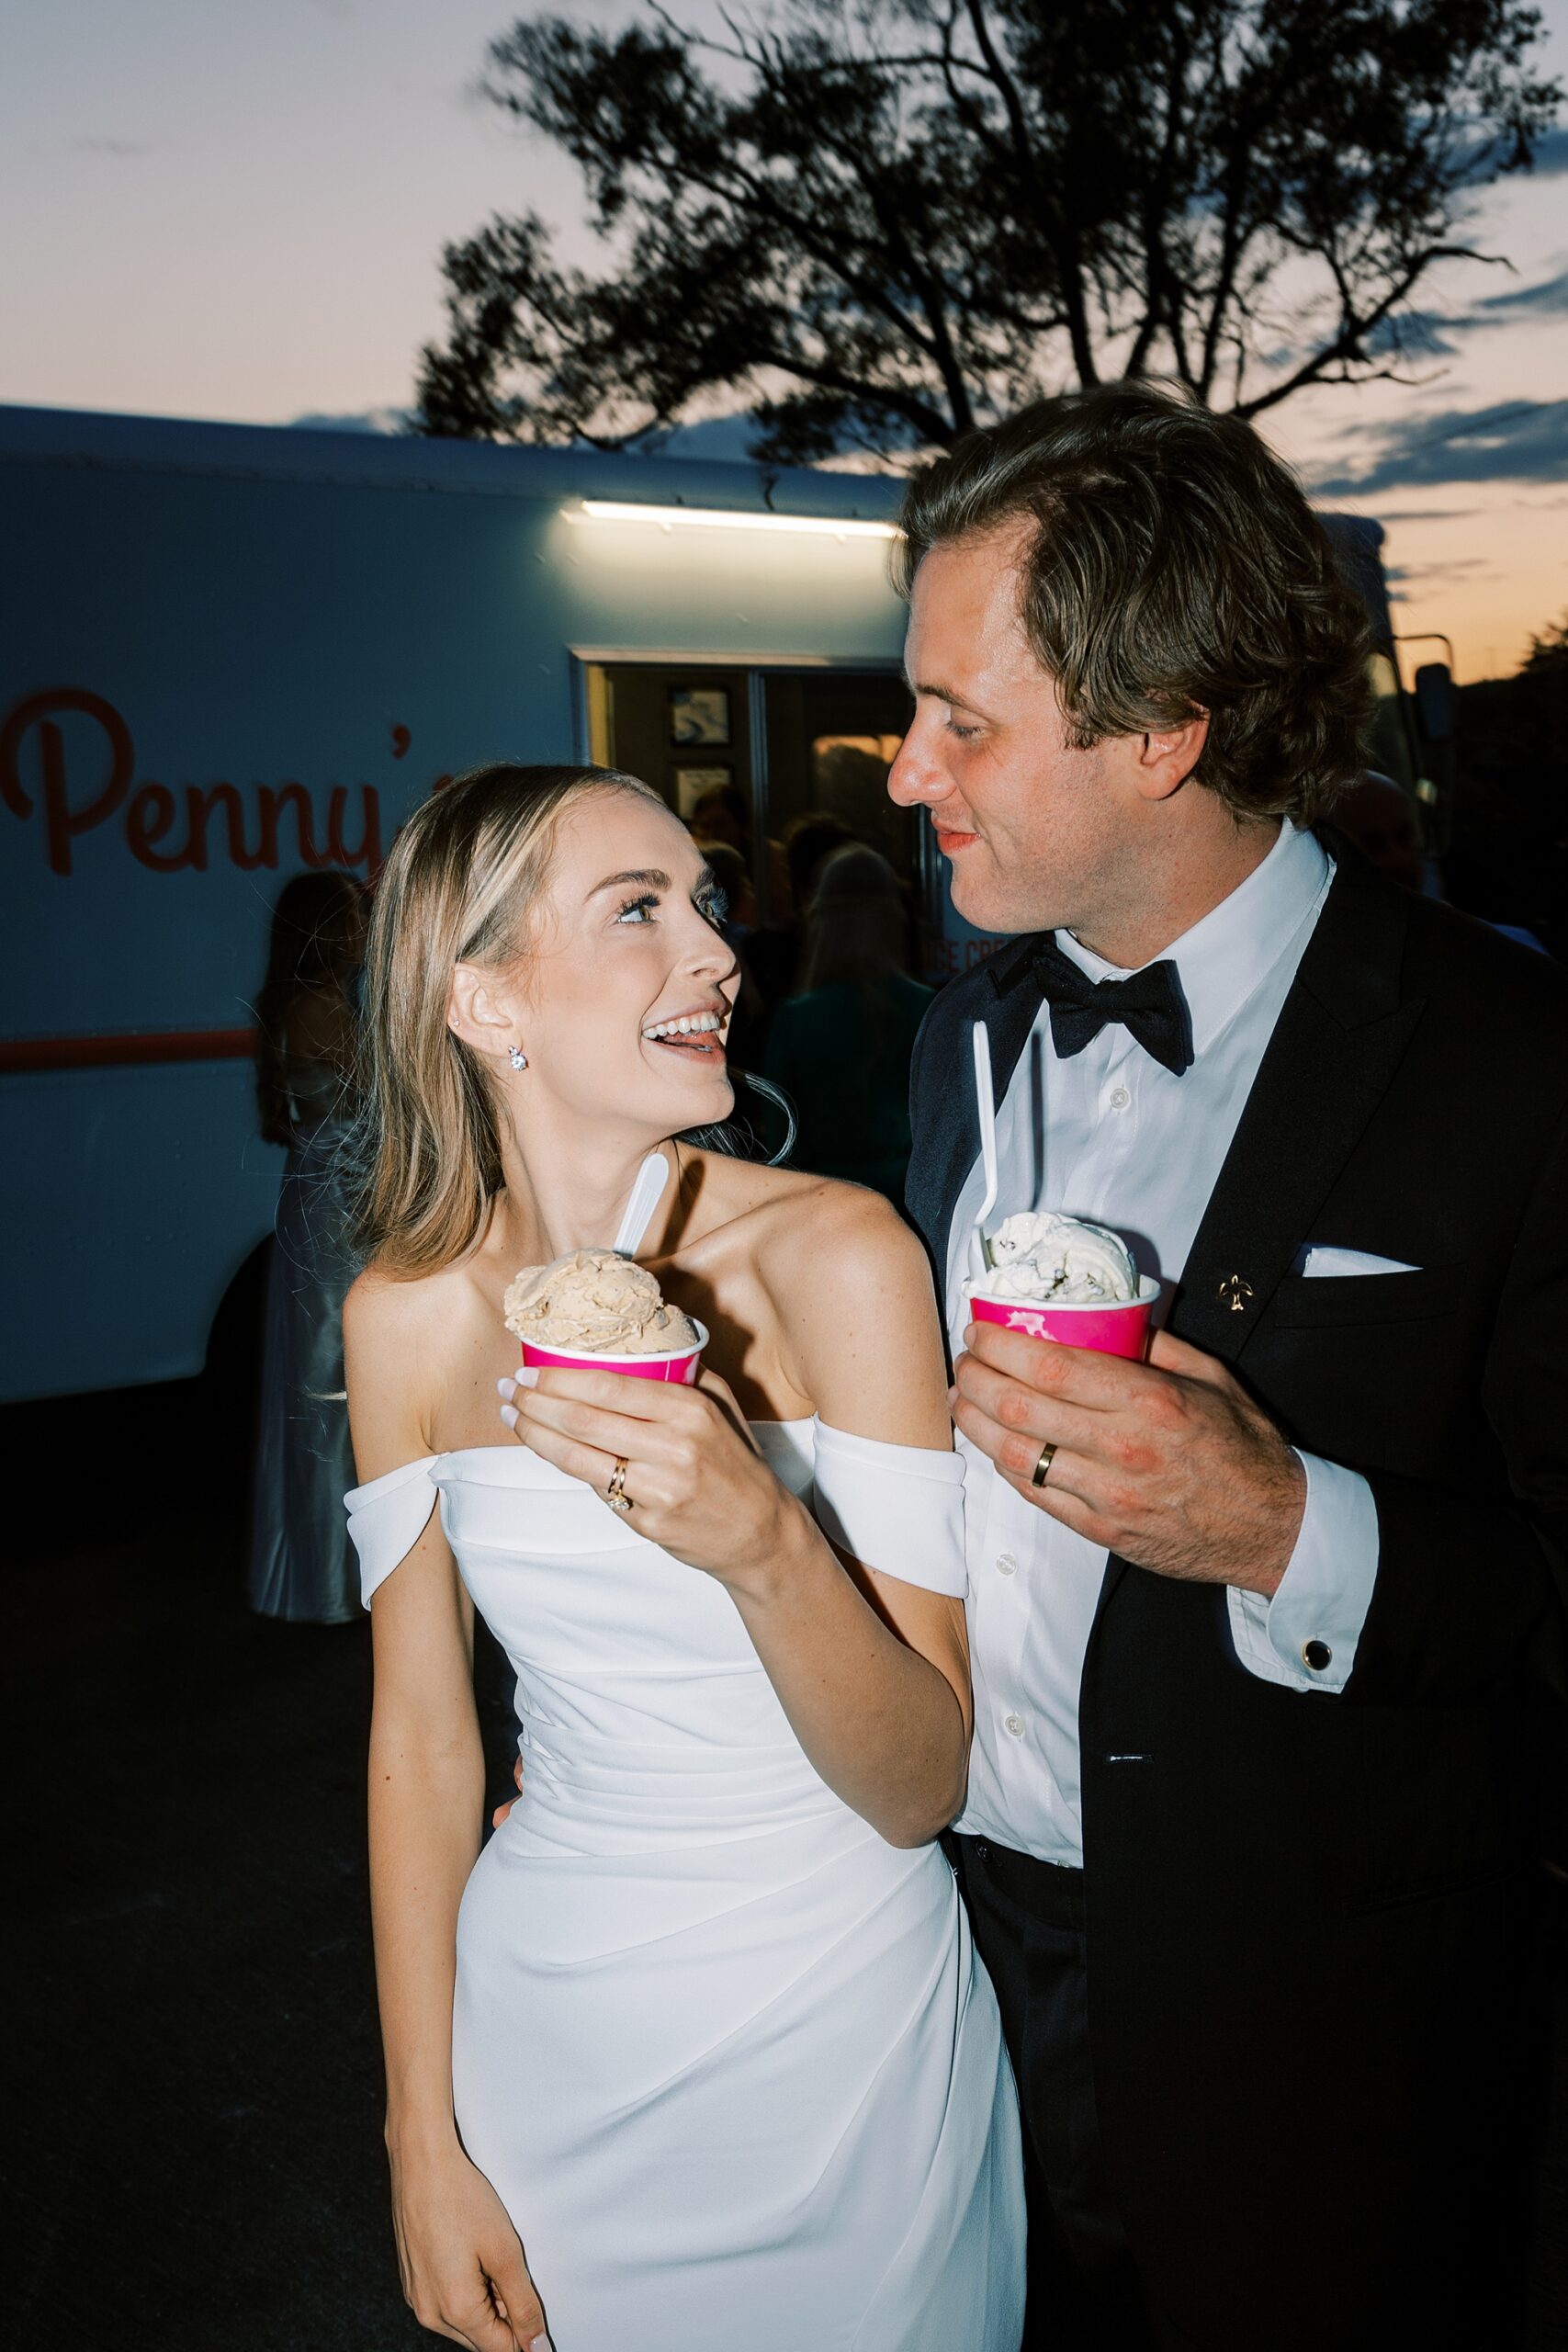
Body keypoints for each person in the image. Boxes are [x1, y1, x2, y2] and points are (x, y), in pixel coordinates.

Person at [888, 383, 1568, 2350]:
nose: (905, 766)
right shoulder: (959, 1037)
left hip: (1318, 2030)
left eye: (965, 719)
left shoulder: (1510, 1058)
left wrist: (1284, 1524)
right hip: (949, 1980)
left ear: (1166, 730)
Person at [340, 763, 1023, 2352]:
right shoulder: (408, 1317)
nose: (719, 955)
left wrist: (764, 1545)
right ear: (483, 997)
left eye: (706, 905)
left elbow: (920, 1783)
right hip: (552, 2042)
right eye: (638, 911)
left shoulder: (838, 1258)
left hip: (846, 2049)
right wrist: (418, 2140)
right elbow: (422, 1741)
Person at [248, 868, 367, 1623]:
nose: (364, 932)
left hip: (322, 1189)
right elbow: (383, 1099)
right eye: (354, 920)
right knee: (333, 1379)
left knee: (322, 1372)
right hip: (341, 1200)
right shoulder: (325, 1009)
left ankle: (323, 1569)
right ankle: (332, 1580)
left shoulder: (300, 1004)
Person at [764, 842, 932, 1201]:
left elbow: (779, 1142)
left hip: (823, 1204)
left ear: (820, 921)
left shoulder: (796, 1019)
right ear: (894, 917)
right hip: (915, 1199)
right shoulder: (930, 1008)